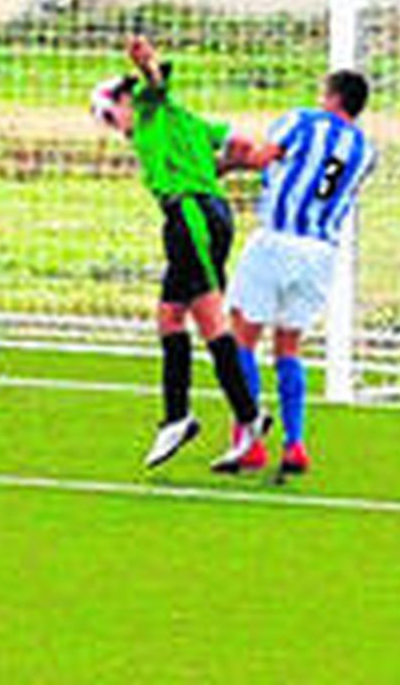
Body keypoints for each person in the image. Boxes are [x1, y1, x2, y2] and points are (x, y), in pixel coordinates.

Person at [89, 35, 271, 470]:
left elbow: (153, 84)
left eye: (111, 116)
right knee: (170, 316)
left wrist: (147, 64)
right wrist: (219, 171)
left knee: (210, 320)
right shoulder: (183, 120)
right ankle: (182, 417)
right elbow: (239, 145)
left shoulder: (151, 110)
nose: (117, 128)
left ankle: (241, 416)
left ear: (123, 102)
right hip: (205, 215)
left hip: (189, 216)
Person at [224, 70, 376, 477]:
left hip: (277, 240)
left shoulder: (301, 121)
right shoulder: (365, 150)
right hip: (320, 253)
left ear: (331, 97)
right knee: (289, 346)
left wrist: (225, 162)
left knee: (243, 335)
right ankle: (295, 443)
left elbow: (260, 158)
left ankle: (248, 441)